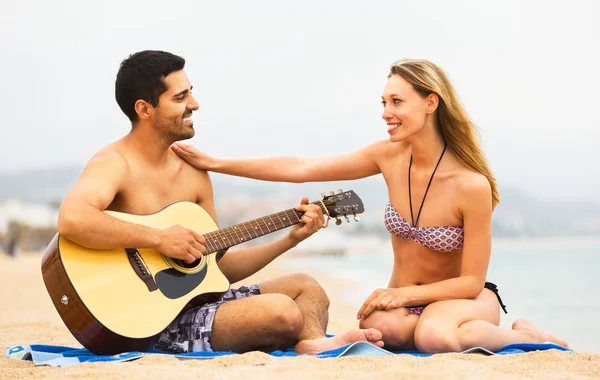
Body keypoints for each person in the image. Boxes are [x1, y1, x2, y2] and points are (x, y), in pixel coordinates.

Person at [171, 58, 569, 353]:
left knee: (434, 335)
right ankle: (452, 332)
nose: (386, 114)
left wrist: (402, 297)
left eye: (397, 102)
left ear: (431, 103)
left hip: (461, 300)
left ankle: (526, 336)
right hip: (401, 305)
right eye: (383, 102)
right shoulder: (389, 156)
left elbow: (470, 281)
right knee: (383, 331)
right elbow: (303, 168)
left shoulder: (472, 185)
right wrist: (218, 163)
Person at [56, 50, 383, 355]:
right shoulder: (114, 163)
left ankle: (312, 346)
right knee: (281, 311)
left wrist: (289, 240)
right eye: (180, 97)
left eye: (191, 93)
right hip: (143, 320)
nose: (194, 104)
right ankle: (302, 338)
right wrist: (158, 239)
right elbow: (73, 218)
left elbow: (216, 270)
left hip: (199, 305)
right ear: (144, 109)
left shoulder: (195, 173)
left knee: (308, 288)